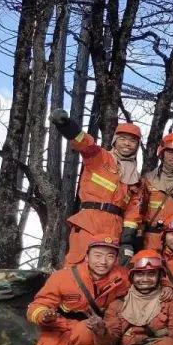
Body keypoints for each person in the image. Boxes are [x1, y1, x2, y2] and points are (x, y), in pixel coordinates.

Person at [26, 237, 129, 345]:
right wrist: (44, 315)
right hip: (60, 330)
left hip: (95, 331)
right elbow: (37, 305)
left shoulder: (123, 277)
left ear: (116, 259)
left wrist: (167, 288)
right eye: (98, 255)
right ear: (87, 256)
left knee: (86, 331)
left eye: (110, 256)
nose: (103, 261)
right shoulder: (63, 277)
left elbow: (149, 279)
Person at [48, 111, 141, 266]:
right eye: (123, 139)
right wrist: (67, 125)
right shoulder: (100, 157)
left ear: (137, 146)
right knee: (77, 266)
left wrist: (127, 242)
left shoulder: (136, 178)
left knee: (108, 270)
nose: (127, 143)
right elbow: (85, 143)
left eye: (132, 141)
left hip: (114, 228)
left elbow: (133, 212)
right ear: (115, 141)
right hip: (89, 222)